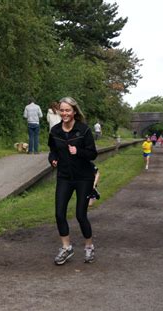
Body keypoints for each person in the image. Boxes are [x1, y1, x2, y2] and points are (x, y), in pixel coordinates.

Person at [48, 97, 98, 265]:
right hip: (64, 177)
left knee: (80, 215)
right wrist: (53, 159)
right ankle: (66, 248)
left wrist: (78, 151)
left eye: (68, 110)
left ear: (74, 112)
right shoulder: (55, 131)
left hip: (84, 177)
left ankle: (89, 246)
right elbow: (53, 150)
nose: (64, 113)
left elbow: (92, 154)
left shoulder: (83, 130)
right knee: (59, 213)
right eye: (62, 110)